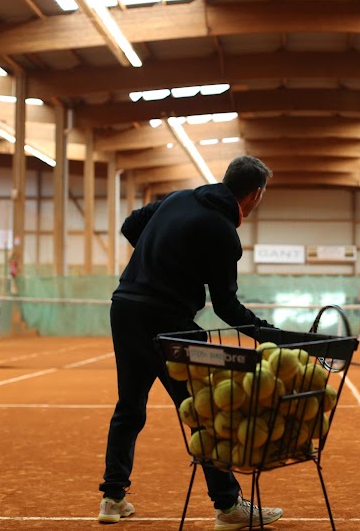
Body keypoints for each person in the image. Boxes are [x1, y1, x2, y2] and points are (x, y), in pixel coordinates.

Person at [98, 156, 284, 529]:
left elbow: (131, 224)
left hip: (124, 309)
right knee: (205, 412)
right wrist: (271, 335)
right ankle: (229, 506)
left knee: (129, 407)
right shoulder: (223, 231)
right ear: (255, 194)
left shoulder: (179, 198)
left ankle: (112, 498)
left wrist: (161, 257)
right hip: (166, 323)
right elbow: (227, 306)